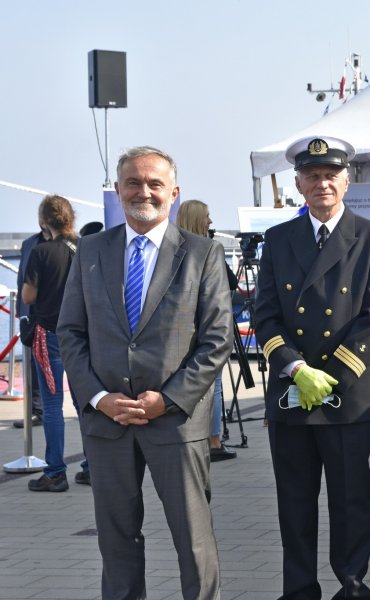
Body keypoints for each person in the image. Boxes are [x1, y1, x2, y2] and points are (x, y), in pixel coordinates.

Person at [57, 146, 233, 600]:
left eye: (155, 183)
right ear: (118, 191)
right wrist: (98, 398)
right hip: (107, 422)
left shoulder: (203, 254)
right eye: (133, 182)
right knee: (116, 542)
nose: (144, 192)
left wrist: (168, 400)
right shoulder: (90, 251)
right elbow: (70, 332)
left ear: (173, 193)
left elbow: (216, 340)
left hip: (174, 422)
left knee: (193, 541)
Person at [254, 135, 370, 599]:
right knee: (294, 502)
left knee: (350, 500)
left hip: (347, 394)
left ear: (347, 180)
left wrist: (330, 375)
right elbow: (265, 316)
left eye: (330, 176)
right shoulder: (277, 240)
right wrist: (296, 369)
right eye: (312, 177)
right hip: (291, 390)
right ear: (298, 184)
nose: (322, 185)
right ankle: (298, 589)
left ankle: (352, 585)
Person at [21, 195, 81, 492]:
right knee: (87, 401)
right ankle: (93, 466)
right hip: (83, 335)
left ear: (44, 221)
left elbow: (28, 297)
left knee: (53, 405)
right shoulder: (84, 247)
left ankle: (56, 471)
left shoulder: (41, 252)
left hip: (49, 333)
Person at [175, 199, 238, 462]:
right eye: (207, 216)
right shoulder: (209, 249)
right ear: (198, 219)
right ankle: (213, 440)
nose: (211, 221)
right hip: (208, 330)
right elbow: (231, 283)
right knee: (214, 387)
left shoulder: (173, 250)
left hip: (181, 333)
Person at [13, 217, 50, 429]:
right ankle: (36, 410)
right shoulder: (29, 244)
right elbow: (22, 279)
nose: (42, 221)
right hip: (30, 315)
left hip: (55, 315)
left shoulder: (69, 243)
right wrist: (20, 310)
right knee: (33, 365)